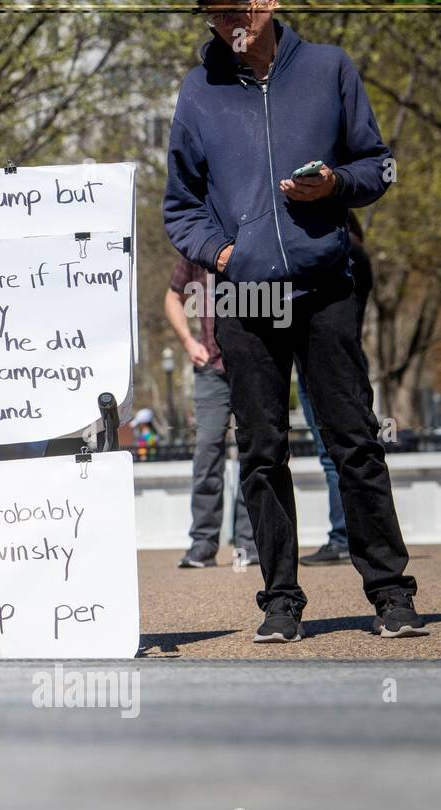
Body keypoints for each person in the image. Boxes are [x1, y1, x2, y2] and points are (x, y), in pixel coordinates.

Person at [164, 0, 424, 641]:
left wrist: (335, 182)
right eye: (214, 13)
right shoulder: (199, 92)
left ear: (270, 2)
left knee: (354, 441)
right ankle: (281, 599)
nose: (229, 21)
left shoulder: (330, 68)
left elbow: (377, 166)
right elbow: (180, 205)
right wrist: (222, 254)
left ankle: (390, 593)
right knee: (260, 450)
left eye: (238, 8)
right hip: (246, 299)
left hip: (324, 285)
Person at [165, 256, 257, 569]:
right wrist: (189, 343)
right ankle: (202, 543)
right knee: (207, 453)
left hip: (256, 366)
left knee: (255, 452)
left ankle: (250, 542)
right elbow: (173, 297)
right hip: (210, 370)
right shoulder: (197, 248)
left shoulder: (256, 238)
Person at [297, 213, 373, 567]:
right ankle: (355, 536)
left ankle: (344, 536)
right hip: (347, 359)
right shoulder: (358, 253)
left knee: (336, 454)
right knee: (355, 451)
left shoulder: (343, 253)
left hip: (327, 362)